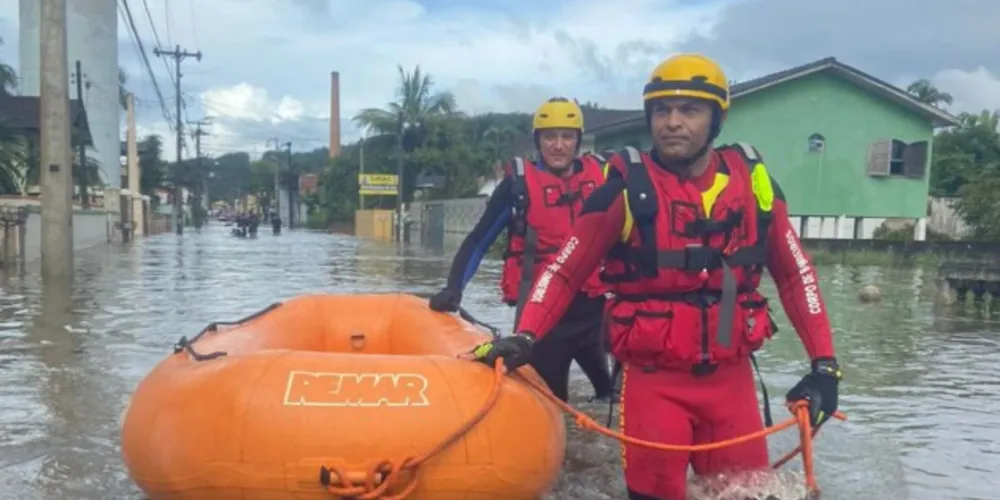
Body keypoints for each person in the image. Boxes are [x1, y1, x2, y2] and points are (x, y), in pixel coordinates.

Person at [463, 54, 842, 499]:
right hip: (653, 387)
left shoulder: (755, 185)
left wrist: (824, 366)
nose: (672, 122)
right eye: (662, 110)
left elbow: (797, 275)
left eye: (689, 110)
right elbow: (564, 270)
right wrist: (525, 335)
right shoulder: (623, 190)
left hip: (732, 385)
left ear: (717, 118)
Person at [430, 97, 615, 403]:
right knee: (554, 406)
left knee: (610, 396)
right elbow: (478, 241)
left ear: (578, 141)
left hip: (593, 313)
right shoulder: (517, 187)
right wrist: (454, 287)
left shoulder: (604, 178)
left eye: (567, 137)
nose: (558, 145)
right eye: (550, 137)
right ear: (538, 140)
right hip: (543, 321)